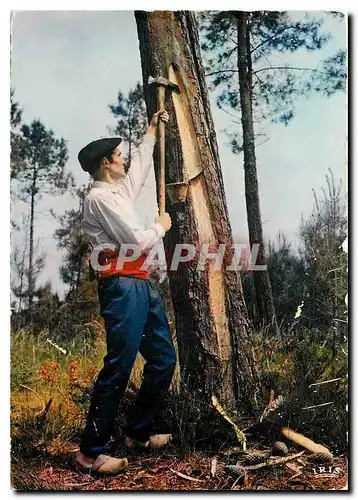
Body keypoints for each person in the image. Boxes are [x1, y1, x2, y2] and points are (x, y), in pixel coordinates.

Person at [75, 109, 176, 475]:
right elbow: (134, 242)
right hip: (120, 285)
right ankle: (90, 452)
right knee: (119, 365)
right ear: (106, 163)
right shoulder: (98, 200)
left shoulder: (117, 192)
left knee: (164, 357)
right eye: (119, 157)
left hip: (141, 283)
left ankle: (138, 432)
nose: (124, 162)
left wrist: (151, 131)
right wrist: (160, 228)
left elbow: (141, 171)